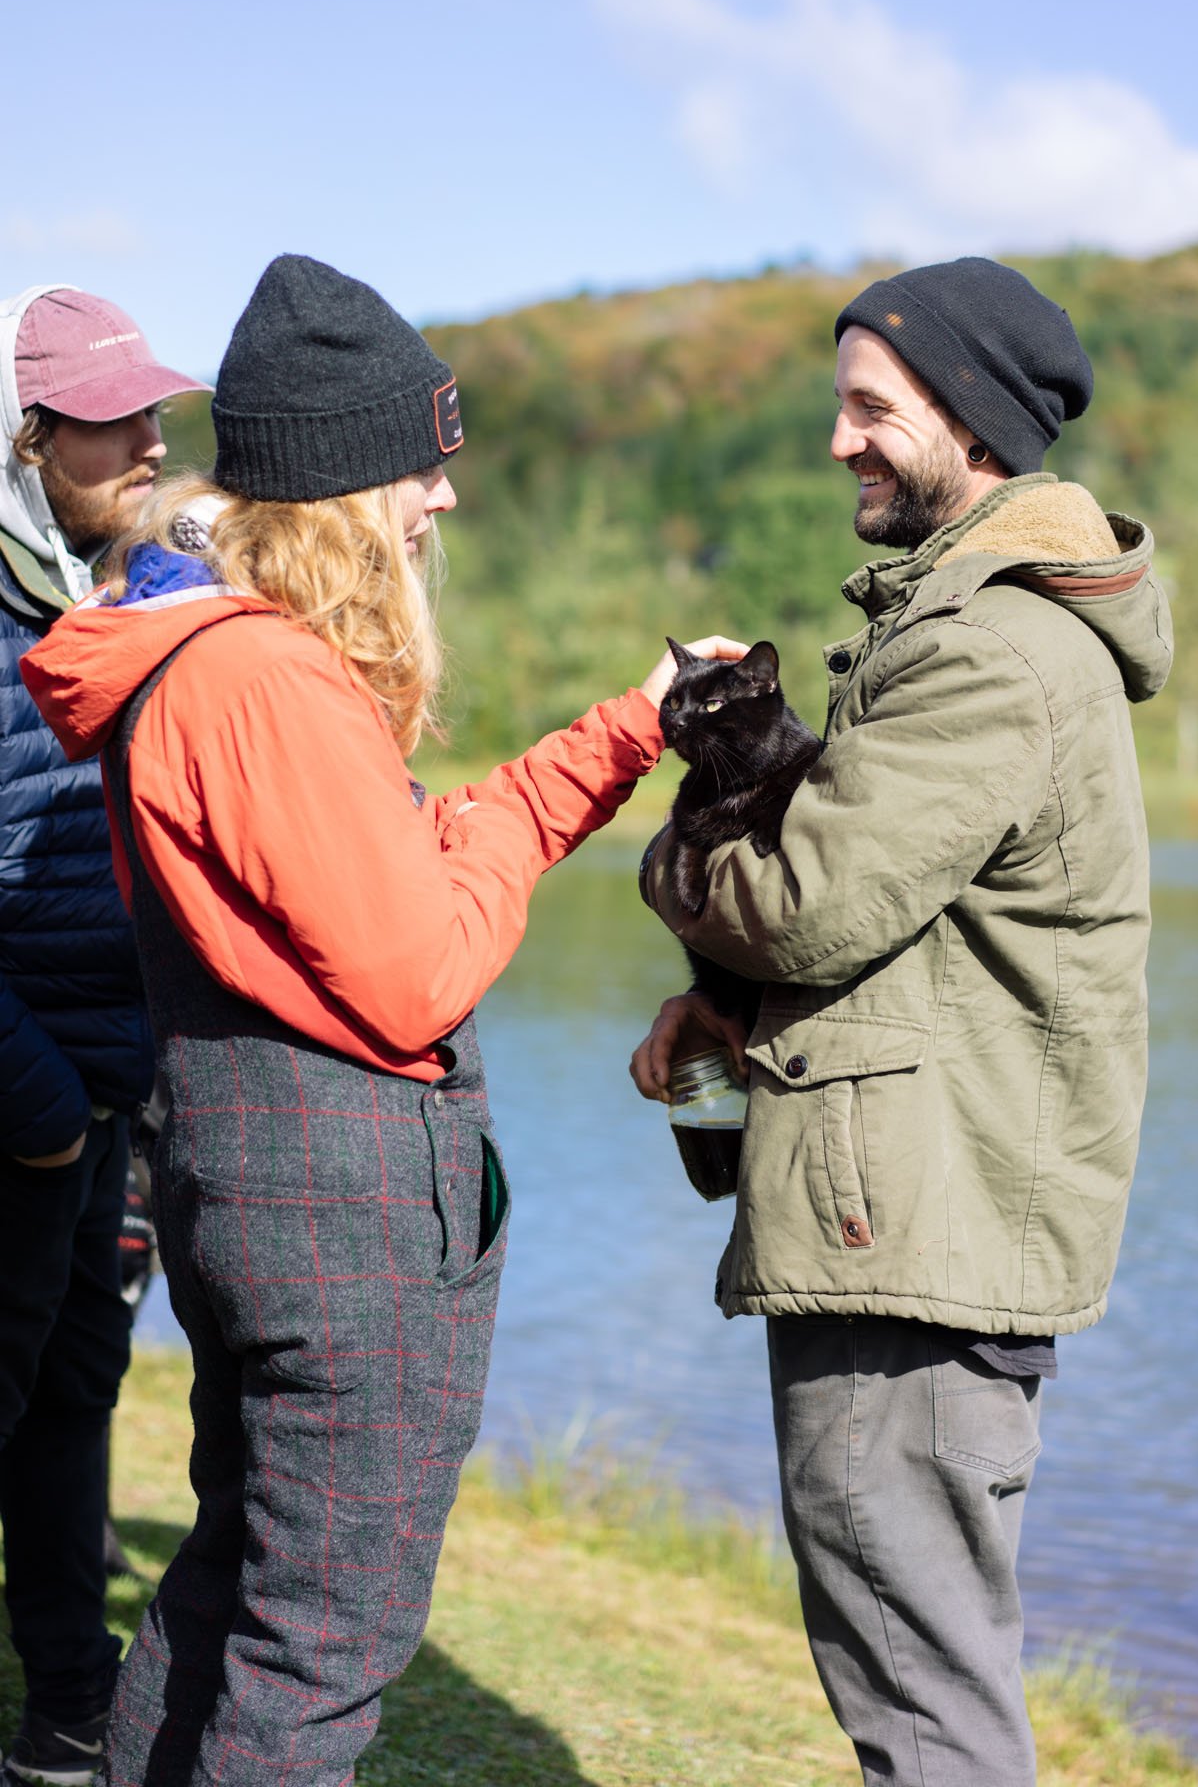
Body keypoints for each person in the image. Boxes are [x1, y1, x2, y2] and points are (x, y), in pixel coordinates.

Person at [23, 253, 740, 1787]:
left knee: (232, 1596)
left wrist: (624, 731)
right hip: (340, 1220)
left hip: (264, 1187)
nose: (445, 500)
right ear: (349, 483)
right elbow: (420, 969)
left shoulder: (232, 664)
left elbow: (405, 860)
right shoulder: (265, 683)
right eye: (427, 465)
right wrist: (492, 856)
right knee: (318, 1657)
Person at [631, 258, 1173, 1787]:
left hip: (922, 1247)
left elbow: (804, 899)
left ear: (973, 422)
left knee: (923, 1701)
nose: (840, 440)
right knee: (918, 1664)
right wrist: (724, 1004)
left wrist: (678, 863)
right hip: (920, 1222)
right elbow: (879, 920)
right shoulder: (966, 627)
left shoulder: (991, 647)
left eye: (871, 407)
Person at [0, 286, 206, 1787]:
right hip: (26, 1096)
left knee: (73, 1405)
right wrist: (43, 1104)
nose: (147, 438)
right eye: (111, 418)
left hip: (108, 1090)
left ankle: (66, 1713)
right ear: (33, 431)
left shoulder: (131, 583)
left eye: (153, 411)